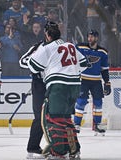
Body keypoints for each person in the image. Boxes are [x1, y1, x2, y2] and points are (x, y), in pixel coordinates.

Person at [27, 21, 87, 159]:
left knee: (54, 119)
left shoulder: (47, 47)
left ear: (47, 35)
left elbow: (33, 66)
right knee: (66, 119)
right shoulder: (70, 45)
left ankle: (59, 152)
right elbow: (84, 64)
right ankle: (74, 150)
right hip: (75, 86)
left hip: (58, 86)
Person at [73, 29, 111, 134]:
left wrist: (107, 83)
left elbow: (104, 69)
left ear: (97, 38)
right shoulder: (80, 47)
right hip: (83, 80)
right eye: (89, 36)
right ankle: (76, 125)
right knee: (81, 102)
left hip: (96, 81)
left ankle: (97, 125)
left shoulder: (103, 52)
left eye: (92, 37)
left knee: (98, 103)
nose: (90, 39)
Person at [19, 40, 46, 159]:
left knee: (56, 115)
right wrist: (36, 66)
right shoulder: (38, 47)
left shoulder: (60, 46)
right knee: (40, 116)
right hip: (39, 83)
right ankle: (33, 147)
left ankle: (59, 147)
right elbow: (22, 61)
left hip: (55, 83)